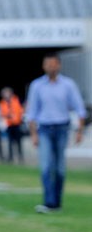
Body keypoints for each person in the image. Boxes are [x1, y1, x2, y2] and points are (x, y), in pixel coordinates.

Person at [25, 53, 87, 213]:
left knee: (59, 168)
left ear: (59, 65)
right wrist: (33, 134)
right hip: (44, 129)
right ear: (43, 66)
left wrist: (80, 131)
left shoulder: (68, 85)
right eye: (47, 64)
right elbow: (32, 112)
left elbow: (80, 109)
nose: (50, 67)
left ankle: (57, 202)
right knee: (46, 166)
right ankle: (49, 202)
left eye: (53, 64)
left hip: (62, 128)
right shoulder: (37, 85)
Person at [0, 87, 25, 164]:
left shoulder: (16, 100)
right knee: (10, 142)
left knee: (19, 141)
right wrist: (7, 115)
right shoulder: (2, 103)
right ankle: (10, 157)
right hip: (9, 125)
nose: (6, 95)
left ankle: (20, 157)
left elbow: (21, 110)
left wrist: (19, 117)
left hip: (17, 124)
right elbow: (2, 113)